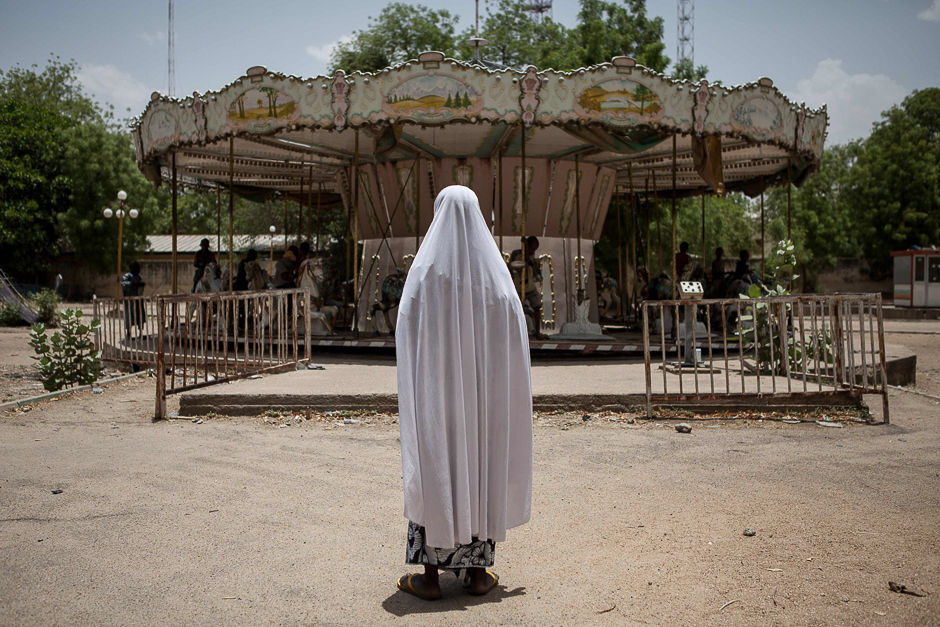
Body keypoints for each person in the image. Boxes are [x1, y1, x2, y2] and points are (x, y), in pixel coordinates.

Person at [395, 185, 533, 601]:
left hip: (439, 401)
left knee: (440, 469)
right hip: (483, 406)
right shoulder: (497, 278)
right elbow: (515, 337)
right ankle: (476, 576)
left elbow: (406, 325)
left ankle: (431, 579)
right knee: (479, 467)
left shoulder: (424, 273)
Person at [508, 235, 547, 340]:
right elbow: (511, 266)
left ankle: (537, 331)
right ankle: (513, 331)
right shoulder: (516, 253)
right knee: (516, 308)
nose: (532, 251)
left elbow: (528, 262)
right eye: (531, 248)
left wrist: (526, 245)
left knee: (537, 305)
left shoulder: (531, 257)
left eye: (534, 249)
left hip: (529, 286)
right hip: (518, 286)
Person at [121, 262, 145, 339]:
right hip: (130, 301)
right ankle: (128, 332)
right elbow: (124, 284)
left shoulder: (138, 277)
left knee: (140, 316)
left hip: (138, 300)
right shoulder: (127, 276)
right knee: (129, 316)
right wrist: (132, 284)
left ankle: (140, 332)